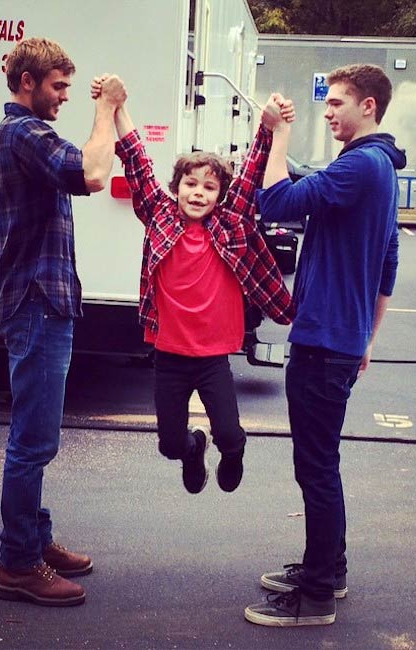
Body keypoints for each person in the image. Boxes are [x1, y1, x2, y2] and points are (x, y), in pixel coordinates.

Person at [244, 64, 407, 626]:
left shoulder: (361, 164)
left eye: (338, 102)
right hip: (340, 339)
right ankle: (327, 571)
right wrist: (366, 337)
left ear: (369, 106)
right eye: (328, 102)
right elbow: (389, 262)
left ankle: (314, 598)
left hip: (321, 343)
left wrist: (278, 133)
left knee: (315, 469)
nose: (329, 110)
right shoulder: (377, 166)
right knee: (322, 465)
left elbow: (277, 202)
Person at [92, 77, 296, 495]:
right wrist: (117, 108)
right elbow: (138, 163)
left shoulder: (230, 223)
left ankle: (231, 451)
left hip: (213, 357)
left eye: (209, 187)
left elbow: (254, 170)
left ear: (220, 195)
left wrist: (269, 124)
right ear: (176, 187)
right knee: (169, 444)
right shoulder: (160, 216)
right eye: (190, 184)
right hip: (168, 354)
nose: (198, 194)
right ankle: (192, 449)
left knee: (230, 433)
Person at [0, 37, 126, 607]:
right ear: (27, 82)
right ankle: (17, 563)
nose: (65, 96)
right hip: (36, 303)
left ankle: (35, 542)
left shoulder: (28, 134)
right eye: (58, 86)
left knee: (36, 436)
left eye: (70, 87)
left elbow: (86, 168)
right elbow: (93, 172)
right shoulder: (24, 133)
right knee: (33, 440)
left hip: (45, 301)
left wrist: (104, 113)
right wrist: (105, 108)